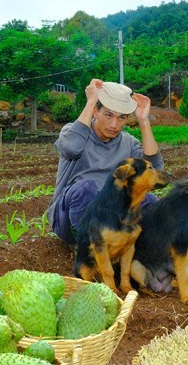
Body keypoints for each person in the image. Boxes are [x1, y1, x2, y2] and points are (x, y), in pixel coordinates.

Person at [48, 79, 163, 244]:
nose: (114, 124)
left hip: (110, 218)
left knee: (150, 200)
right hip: (68, 218)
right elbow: (71, 148)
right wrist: (91, 101)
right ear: (96, 112)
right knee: (85, 188)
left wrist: (144, 121)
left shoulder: (128, 143)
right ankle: (85, 246)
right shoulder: (73, 132)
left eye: (121, 118)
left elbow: (154, 171)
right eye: (108, 115)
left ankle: (138, 249)